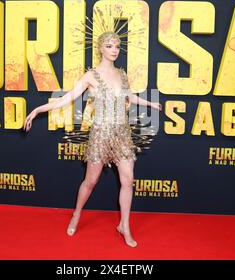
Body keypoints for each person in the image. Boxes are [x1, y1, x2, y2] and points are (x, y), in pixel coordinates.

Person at [23, 31, 161, 247]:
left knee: (128, 181)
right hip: (101, 135)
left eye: (116, 46)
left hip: (122, 133)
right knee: (91, 181)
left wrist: (151, 104)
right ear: (100, 48)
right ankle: (76, 214)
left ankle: (124, 225)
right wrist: (38, 110)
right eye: (109, 46)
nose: (114, 50)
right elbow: (66, 99)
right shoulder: (91, 76)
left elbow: (128, 96)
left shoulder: (122, 74)